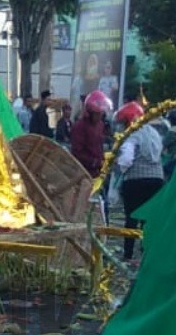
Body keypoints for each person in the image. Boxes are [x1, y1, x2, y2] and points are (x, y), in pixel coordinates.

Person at [114, 102, 165, 261]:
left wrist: (117, 170)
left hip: (136, 181)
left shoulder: (132, 134)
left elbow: (126, 160)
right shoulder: (153, 132)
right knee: (149, 219)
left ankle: (128, 254)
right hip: (157, 179)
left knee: (131, 218)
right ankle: (148, 253)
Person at [70, 90, 111, 178]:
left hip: (97, 172)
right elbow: (77, 152)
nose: (100, 116)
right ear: (89, 113)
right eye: (97, 114)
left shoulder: (100, 125)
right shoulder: (79, 127)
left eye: (101, 113)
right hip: (83, 173)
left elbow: (99, 146)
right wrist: (94, 162)